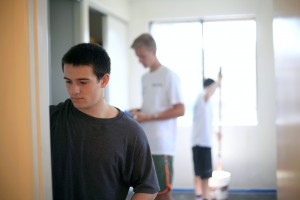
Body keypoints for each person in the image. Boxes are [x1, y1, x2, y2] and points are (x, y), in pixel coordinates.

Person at [50, 43, 159, 200]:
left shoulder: (130, 132)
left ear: (104, 80)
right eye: (68, 81)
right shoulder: (50, 118)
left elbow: (148, 187)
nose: (74, 90)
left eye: (83, 82)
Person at [130, 33, 185, 200]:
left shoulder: (169, 75)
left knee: (163, 193)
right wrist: (138, 111)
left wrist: (147, 116)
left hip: (162, 146)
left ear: (154, 51)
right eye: (138, 57)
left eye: (142, 56)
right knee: (148, 192)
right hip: (146, 144)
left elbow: (180, 109)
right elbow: (153, 105)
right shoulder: (145, 78)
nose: (140, 60)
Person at [191, 72, 222, 200]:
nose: (215, 91)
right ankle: (203, 196)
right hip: (200, 143)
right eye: (214, 88)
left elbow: (205, 122)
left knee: (202, 173)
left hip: (203, 142)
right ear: (208, 87)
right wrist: (218, 80)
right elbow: (209, 91)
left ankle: (202, 195)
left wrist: (215, 132)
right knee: (203, 174)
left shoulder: (208, 103)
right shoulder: (202, 97)